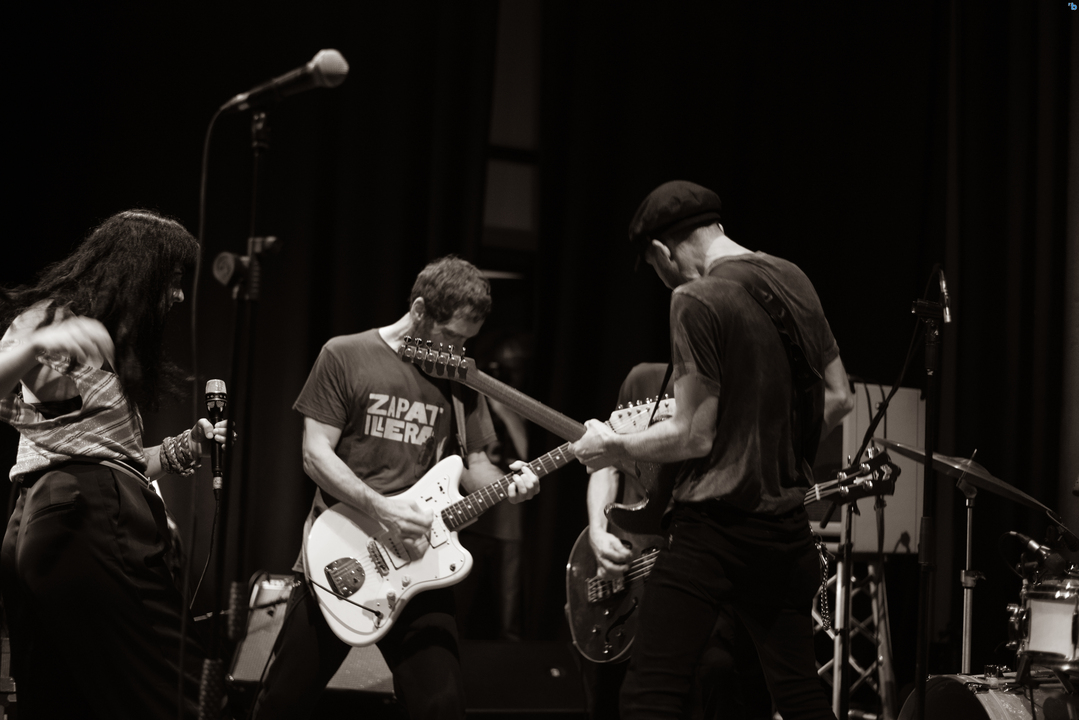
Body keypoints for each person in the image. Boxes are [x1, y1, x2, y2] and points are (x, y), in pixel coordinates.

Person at [571, 181, 854, 720]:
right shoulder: (794, 277)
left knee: (649, 695)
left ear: (662, 250)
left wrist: (612, 445)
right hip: (786, 531)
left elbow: (693, 435)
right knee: (799, 696)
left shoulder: (695, 298)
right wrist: (768, 446)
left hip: (713, 532)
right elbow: (841, 397)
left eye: (654, 266)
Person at [251, 256, 540, 720]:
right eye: (452, 336)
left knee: (442, 707)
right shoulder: (345, 354)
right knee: (281, 705)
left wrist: (511, 486)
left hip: (423, 564)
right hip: (341, 554)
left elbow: (476, 465)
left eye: (468, 340)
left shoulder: (459, 377)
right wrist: (383, 509)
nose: (460, 349)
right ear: (420, 310)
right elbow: (315, 455)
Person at [0, 210, 230, 719]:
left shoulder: (97, 346)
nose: (179, 296)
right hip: (85, 518)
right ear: (139, 271)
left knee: (65, 702)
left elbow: (112, 457)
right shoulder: (54, 321)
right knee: (187, 693)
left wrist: (186, 447)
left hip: (53, 522)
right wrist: (34, 345)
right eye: (173, 280)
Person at [582, 362, 772, 720]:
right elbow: (605, 464)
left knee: (716, 672)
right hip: (636, 561)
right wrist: (597, 532)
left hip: (704, 567)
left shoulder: (741, 389)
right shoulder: (644, 379)